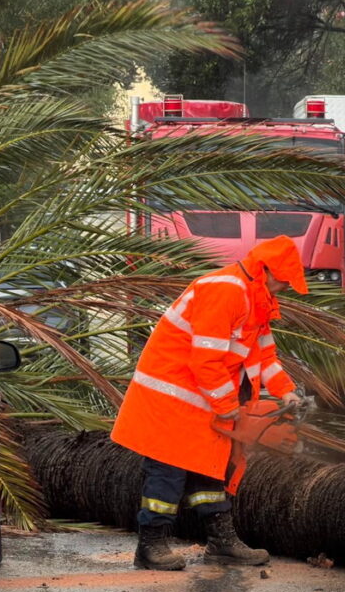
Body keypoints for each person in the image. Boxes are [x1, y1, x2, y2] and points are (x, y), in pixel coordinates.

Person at [112, 235, 307, 571]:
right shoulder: (226, 291)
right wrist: (228, 406)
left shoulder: (255, 300)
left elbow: (264, 357)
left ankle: (221, 543)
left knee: (211, 469)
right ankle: (151, 546)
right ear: (264, 271)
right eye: (284, 280)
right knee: (167, 473)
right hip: (172, 398)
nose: (286, 288)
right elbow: (206, 360)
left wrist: (286, 390)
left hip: (200, 398)